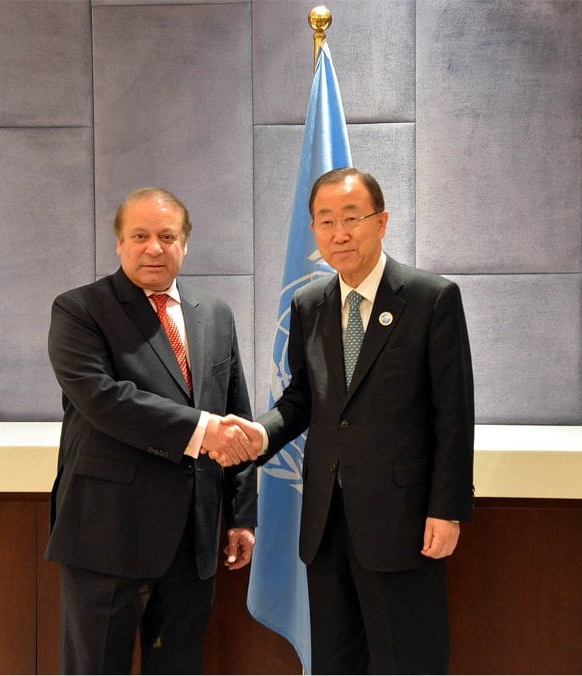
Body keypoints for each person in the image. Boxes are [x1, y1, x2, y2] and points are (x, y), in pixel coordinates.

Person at [206, 168, 474, 674]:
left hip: (406, 521)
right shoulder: (310, 304)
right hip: (327, 523)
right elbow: (304, 397)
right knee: (335, 662)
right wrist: (261, 433)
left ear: (382, 221)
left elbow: (454, 415)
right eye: (325, 221)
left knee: (407, 661)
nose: (339, 233)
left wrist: (448, 508)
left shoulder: (430, 299)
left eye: (352, 218)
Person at [46, 186, 258, 674]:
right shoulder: (80, 310)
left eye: (167, 235)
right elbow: (104, 400)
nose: (153, 247)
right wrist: (204, 429)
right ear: (119, 243)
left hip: (194, 535)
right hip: (108, 531)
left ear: (185, 244)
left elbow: (235, 413)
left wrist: (242, 514)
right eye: (139, 235)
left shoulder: (215, 314)